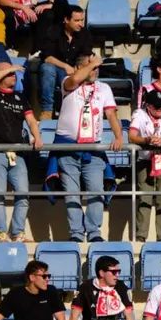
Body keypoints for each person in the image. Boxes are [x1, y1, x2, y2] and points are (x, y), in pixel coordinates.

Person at [55, 54, 123, 243]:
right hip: (68, 147)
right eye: (91, 66)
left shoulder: (104, 88)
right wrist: (91, 62)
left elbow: (111, 114)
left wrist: (118, 136)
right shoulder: (68, 82)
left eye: (96, 67)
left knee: (96, 191)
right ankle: (76, 232)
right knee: (72, 193)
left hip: (93, 149)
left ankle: (93, 231)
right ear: (78, 67)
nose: (95, 70)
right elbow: (75, 79)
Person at [0, 63, 41, 243]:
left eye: (13, 73)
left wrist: (37, 136)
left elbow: (32, 121)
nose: (13, 76)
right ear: (0, 75)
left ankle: (18, 233)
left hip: (18, 153)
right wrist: (5, 70)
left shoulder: (20, 96)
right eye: (9, 74)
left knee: (23, 194)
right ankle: (2, 234)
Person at [129, 90, 161, 242]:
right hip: (145, 161)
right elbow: (132, 136)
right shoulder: (139, 114)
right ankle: (141, 236)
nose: (160, 109)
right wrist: (146, 140)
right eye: (156, 107)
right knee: (144, 198)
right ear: (148, 105)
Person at [38, 4, 92, 120]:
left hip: (76, 70)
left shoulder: (85, 33)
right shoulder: (53, 31)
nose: (80, 24)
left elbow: (86, 55)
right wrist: (66, 66)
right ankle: (47, 110)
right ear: (66, 20)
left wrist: (79, 69)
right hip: (58, 69)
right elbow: (46, 57)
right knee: (47, 68)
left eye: (82, 20)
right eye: (77, 20)